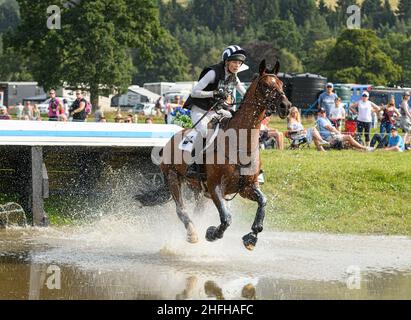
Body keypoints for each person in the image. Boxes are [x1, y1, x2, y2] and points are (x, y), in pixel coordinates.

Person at [183, 45, 247, 177]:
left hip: (217, 110)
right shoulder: (213, 72)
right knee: (206, 132)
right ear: (226, 61)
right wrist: (213, 93)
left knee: (236, 125)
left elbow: (245, 93)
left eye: (239, 63)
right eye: (234, 62)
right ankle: (193, 164)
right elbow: (194, 92)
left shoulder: (234, 77)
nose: (237, 66)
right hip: (200, 109)